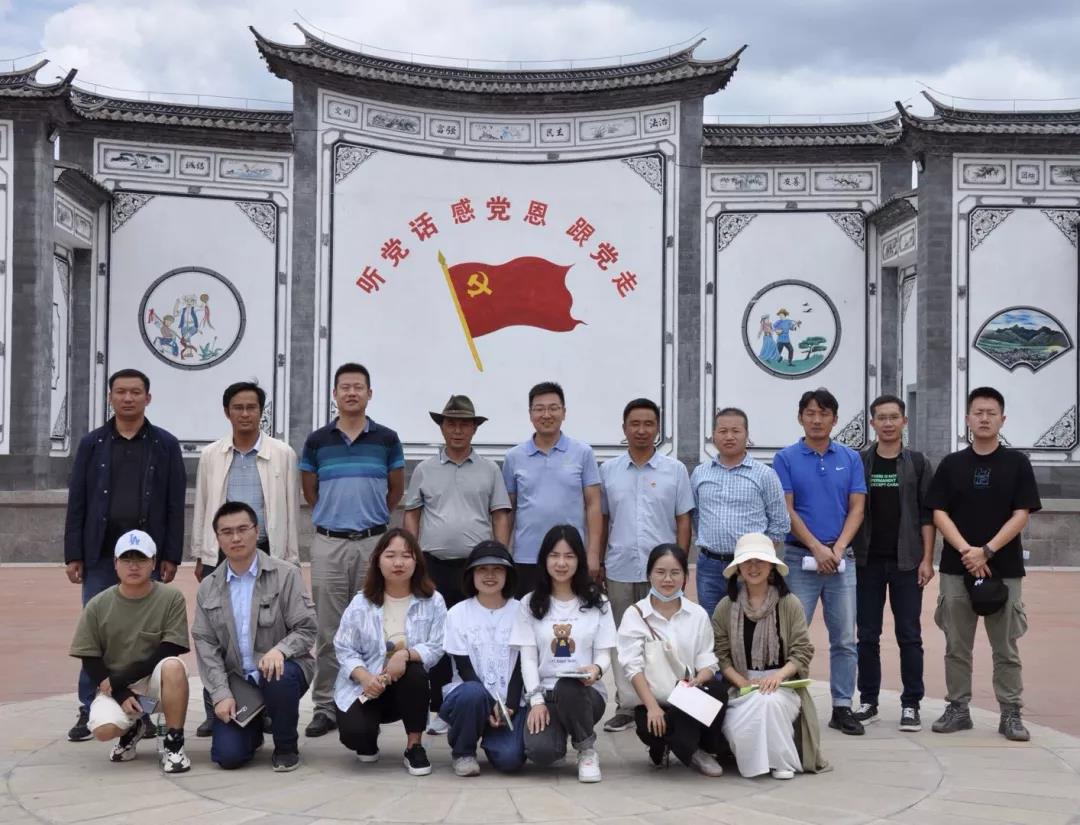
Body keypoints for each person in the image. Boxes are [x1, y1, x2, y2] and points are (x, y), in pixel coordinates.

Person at [63, 368, 186, 742]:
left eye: (135, 392)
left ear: (148, 398)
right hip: (101, 554)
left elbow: (174, 503)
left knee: (145, 635)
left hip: (147, 555)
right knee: (98, 633)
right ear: (110, 397)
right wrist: (73, 553)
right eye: (121, 392)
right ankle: (91, 705)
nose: (128, 398)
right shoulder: (93, 444)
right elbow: (78, 500)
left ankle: (143, 710)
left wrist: (171, 554)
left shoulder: (165, 444)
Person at [926, 386, 1040, 741]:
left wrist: (986, 551)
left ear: (1002, 419)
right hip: (956, 569)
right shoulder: (951, 464)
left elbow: (1021, 514)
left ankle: (1011, 713)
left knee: (1006, 647)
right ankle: (958, 708)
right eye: (978, 412)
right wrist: (968, 552)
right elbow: (938, 512)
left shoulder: (1017, 464)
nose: (985, 418)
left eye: (991, 413)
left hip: (1004, 569)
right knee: (956, 646)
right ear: (967, 419)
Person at [191, 381, 302, 738]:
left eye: (251, 407)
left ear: (261, 412)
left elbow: (291, 508)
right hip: (222, 550)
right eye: (237, 407)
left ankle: (266, 706)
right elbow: (203, 504)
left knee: (267, 630)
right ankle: (216, 707)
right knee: (220, 633)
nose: (244, 414)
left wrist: (291, 557)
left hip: (268, 548)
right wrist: (202, 552)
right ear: (227, 412)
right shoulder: (212, 455)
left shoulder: (282, 453)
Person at [301, 363, 405, 738]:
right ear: (334, 394)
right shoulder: (317, 441)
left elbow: (395, 490)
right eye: (344, 387)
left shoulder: (387, 439)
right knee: (329, 629)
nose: (351, 393)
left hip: (373, 544)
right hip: (329, 543)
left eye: (358, 387)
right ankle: (325, 706)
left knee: (372, 626)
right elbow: (310, 492)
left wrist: (369, 519)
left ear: (369, 393)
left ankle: (369, 697)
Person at [403, 395, 511, 734]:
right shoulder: (425, 469)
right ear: (442, 427)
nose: (458, 430)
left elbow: (500, 514)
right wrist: (414, 556)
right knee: (437, 635)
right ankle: (441, 707)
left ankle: (478, 698)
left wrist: (500, 555)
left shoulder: (490, 469)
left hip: (476, 568)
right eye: (451, 423)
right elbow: (412, 513)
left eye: (465, 424)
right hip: (433, 565)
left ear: (474, 429)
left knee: (472, 634)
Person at [192, 502, 317, 772]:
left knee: (277, 675)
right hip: (238, 682)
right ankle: (255, 726)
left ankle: (286, 746)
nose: (235, 538)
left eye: (242, 529)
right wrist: (221, 693)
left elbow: (307, 628)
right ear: (217, 538)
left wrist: (280, 650)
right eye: (227, 532)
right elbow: (205, 646)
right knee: (228, 757)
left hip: (281, 672)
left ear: (257, 531)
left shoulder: (286, 574)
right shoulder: (208, 587)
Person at [772, 387, 866, 735]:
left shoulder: (851, 458)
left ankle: (842, 706)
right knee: (793, 636)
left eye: (823, 414)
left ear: (834, 419)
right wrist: (815, 546)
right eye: (810, 413)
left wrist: (837, 548)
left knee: (845, 638)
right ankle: (789, 705)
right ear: (800, 417)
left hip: (842, 559)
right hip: (800, 557)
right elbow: (787, 508)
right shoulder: (785, 458)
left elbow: (857, 507)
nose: (816, 419)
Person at [598, 398, 693, 734]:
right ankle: (627, 705)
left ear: (658, 428)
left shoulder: (675, 470)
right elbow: (602, 519)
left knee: (667, 636)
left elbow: (683, 520)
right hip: (620, 567)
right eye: (634, 424)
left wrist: (680, 565)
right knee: (624, 639)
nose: (641, 430)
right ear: (624, 428)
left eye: (648, 423)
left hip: (663, 573)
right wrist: (598, 561)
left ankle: (668, 698)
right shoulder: (608, 471)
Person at [68, 530, 191, 773]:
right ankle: (133, 727)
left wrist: (119, 681)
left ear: (153, 562)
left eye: (141, 559)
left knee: (173, 666)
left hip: (156, 684)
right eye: (126, 559)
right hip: (116, 686)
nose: (133, 566)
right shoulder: (97, 604)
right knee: (104, 730)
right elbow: (89, 656)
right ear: (115, 563)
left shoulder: (171, 598)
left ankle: (174, 743)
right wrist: (120, 692)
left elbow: (171, 647)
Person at [712, 533, 829, 778]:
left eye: (760, 561)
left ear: (772, 567)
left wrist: (777, 677)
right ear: (738, 569)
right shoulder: (725, 607)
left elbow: (802, 650)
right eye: (747, 562)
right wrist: (742, 682)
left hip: (782, 685)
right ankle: (760, 761)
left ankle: (781, 763)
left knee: (769, 702)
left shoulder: (789, 603)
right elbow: (721, 655)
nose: (753, 567)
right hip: (741, 685)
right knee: (736, 724)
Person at [333, 528, 447, 775]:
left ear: (417, 561)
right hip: (366, 686)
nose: (398, 563)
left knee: (415, 672)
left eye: (406, 556)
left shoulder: (433, 601)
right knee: (355, 736)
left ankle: (414, 746)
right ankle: (368, 736)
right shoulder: (361, 603)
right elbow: (344, 647)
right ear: (378, 560)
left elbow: (437, 645)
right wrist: (365, 677)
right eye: (390, 555)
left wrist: (404, 655)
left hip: (407, 687)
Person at [853, 394, 936, 732]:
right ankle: (868, 700)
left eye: (893, 417)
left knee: (909, 635)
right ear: (872, 423)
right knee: (866, 635)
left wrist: (927, 559)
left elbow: (927, 515)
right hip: (867, 561)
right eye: (881, 418)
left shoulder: (918, 463)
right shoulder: (860, 461)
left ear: (904, 421)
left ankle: (911, 704)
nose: (888, 423)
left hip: (907, 562)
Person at [509, 524, 616, 783]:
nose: (561, 563)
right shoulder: (529, 603)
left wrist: (596, 669)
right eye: (554, 555)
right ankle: (560, 732)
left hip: (585, 694)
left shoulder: (597, 602)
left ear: (579, 560)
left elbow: (603, 654)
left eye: (569, 556)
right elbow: (528, 658)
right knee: (541, 752)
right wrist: (536, 702)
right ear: (544, 559)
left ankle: (586, 749)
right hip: (546, 694)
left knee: (568, 686)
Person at [616, 544, 726, 776]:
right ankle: (672, 745)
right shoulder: (635, 615)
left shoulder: (697, 614)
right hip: (654, 700)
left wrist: (699, 679)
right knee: (655, 724)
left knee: (717, 692)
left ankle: (692, 748)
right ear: (649, 575)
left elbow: (707, 660)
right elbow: (632, 667)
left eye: (675, 572)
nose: (668, 579)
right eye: (660, 572)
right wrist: (652, 707)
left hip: (688, 695)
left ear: (685, 576)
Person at [503, 381, 602, 597]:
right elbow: (508, 511)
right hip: (527, 557)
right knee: (527, 612)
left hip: (570, 556)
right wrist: (503, 555)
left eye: (553, 408)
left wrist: (593, 554)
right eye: (539, 409)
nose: (546, 415)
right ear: (530, 414)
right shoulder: (513, 457)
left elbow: (594, 505)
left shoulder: (583, 453)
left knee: (571, 612)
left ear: (564, 412)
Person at [437, 541, 527, 776]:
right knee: (472, 694)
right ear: (471, 574)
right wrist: (490, 705)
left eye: (497, 569)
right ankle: (463, 750)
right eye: (482, 569)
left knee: (510, 759)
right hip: (470, 697)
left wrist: (509, 706)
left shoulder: (522, 611)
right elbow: (464, 669)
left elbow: (522, 665)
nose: (490, 575)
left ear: (508, 574)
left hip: (509, 703)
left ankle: (491, 737)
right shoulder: (457, 613)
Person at [690, 407, 789, 618]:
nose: (729, 436)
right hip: (710, 567)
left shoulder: (765, 474)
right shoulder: (700, 473)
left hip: (751, 567)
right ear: (713, 436)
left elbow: (780, 524)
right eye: (723, 431)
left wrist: (759, 557)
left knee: (751, 623)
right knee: (712, 624)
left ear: (747, 435)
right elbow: (697, 515)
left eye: (736, 431)